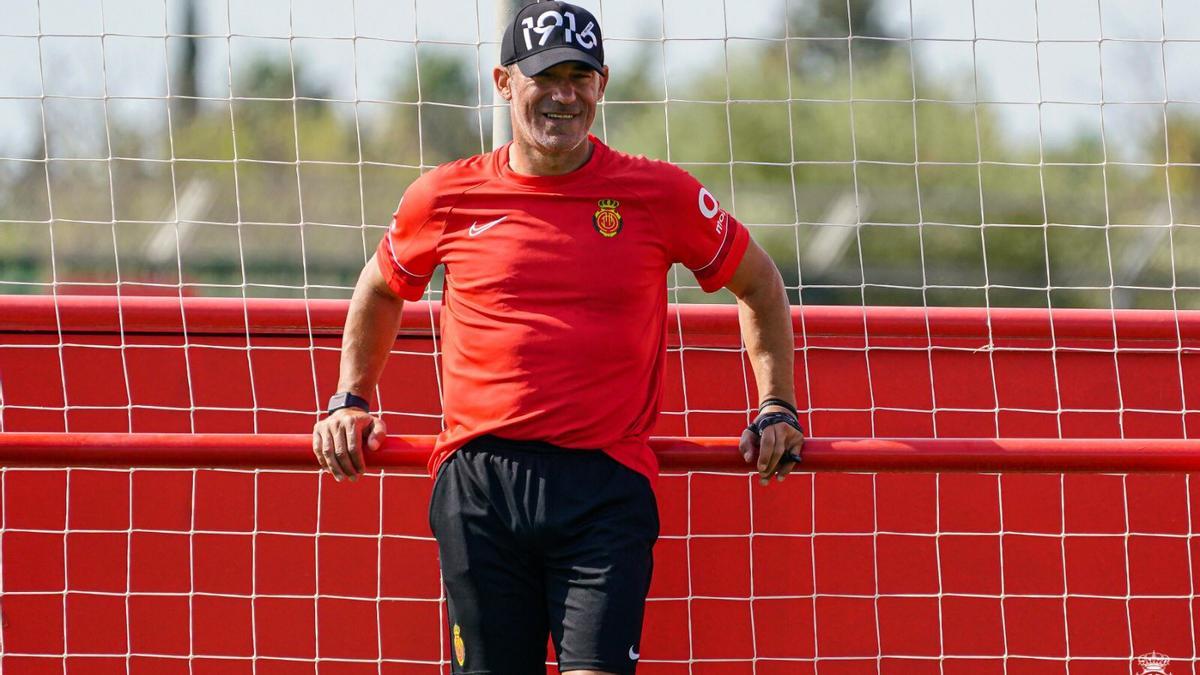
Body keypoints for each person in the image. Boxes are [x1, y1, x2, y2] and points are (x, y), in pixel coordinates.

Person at [312, 2, 803, 673]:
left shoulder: (658, 194)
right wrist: (350, 399)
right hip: (480, 484)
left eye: (581, 75)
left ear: (602, 83)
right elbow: (379, 287)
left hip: (606, 484)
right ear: (504, 82)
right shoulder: (446, 196)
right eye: (546, 76)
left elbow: (761, 282)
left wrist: (776, 403)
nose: (564, 95)